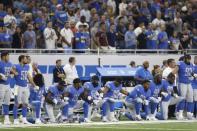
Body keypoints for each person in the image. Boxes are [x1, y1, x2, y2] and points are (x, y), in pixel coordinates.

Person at [12, 55, 38, 124]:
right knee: (17, 104)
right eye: (25, 59)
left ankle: (24, 119)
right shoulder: (16, 66)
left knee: (25, 103)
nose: (27, 60)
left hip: (25, 86)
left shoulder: (27, 67)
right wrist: (14, 72)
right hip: (17, 87)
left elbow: (29, 77)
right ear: (22, 59)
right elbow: (11, 70)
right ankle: (15, 119)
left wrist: (34, 85)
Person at [176, 55, 195, 120]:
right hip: (182, 83)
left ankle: (189, 113)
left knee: (190, 99)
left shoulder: (191, 65)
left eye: (189, 59)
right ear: (184, 59)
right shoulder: (180, 63)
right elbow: (175, 70)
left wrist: (193, 75)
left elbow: (191, 73)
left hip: (189, 83)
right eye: (187, 59)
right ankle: (179, 114)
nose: (189, 60)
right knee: (182, 98)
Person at [0, 51, 13, 124]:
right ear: (4, 56)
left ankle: (6, 119)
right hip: (1, 85)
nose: (9, 57)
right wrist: (1, 76)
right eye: (8, 56)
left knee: (7, 102)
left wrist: (12, 73)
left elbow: (10, 71)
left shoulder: (10, 63)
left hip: (8, 85)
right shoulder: (0, 63)